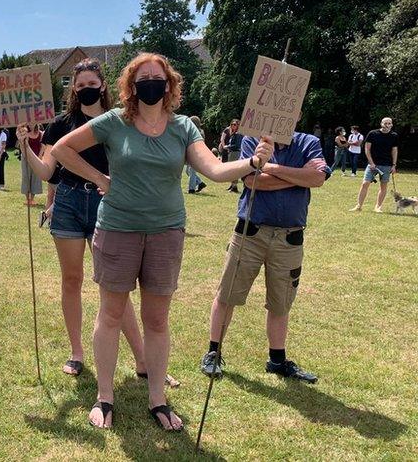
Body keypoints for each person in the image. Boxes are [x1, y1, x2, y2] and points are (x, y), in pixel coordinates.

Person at [52, 52, 272, 431]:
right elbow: (61, 150)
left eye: (158, 77)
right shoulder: (115, 121)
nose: (151, 83)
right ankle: (105, 396)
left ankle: (158, 398)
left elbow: (216, 170)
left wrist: (252, 163)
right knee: (111, 314)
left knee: (156, 319)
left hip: (166, 233)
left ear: (169, 85)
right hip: (117, 229)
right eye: (143, 78)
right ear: (130, 87)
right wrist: (101, 180)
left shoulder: (183, 127)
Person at [20, 58, 165, 382]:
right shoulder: (60, 125)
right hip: (69, 203)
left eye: (92, 84)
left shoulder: (121, 122)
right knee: (71, 280)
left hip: (109, 206)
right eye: (81, 85)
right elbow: (46, 171)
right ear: (74, 88)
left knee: (115, 287)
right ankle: (77, 352)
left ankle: (143, 359)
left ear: (103, 85)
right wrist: (25, 145)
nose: (87, 90)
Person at [201, 131, 329, 384]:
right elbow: (252, 181)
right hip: (250, 232)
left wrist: (270, 167)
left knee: (281, 302)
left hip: (289, 237)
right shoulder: (252, 140)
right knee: (228, 294)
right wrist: (297, 175)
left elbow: (317, 177)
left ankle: (277, 360)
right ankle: (213, 353)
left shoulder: (309, 142)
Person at [350, 117, 399, 213]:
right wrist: (371, 163)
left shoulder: (394, 135)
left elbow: (394, 150)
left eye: (389, 123)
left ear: (392, 125)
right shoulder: (373, 133)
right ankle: (359, 206)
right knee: (365, 183)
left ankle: (378, 207)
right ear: (381, 124)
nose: (387, 125)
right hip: (372, 164)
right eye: (385, 123)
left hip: (386, 165)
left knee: (383, 186)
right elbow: (367, 149)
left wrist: (394, 165)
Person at [19, 124, 43, 206]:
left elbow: (43, 147)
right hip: (26, 159)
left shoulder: (41, 134)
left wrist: (39, 158)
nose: (31, 124)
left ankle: (32, 199)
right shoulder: (24, 134)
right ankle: (27, 199)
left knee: (36, 178)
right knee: (26, 177)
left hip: (37, 159)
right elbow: (23, 146)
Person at [219, 118, 243, 193]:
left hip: (235, 153)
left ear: (238, 125)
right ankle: (232, 185)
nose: (233, 126)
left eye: (235, 125)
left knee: (234, 170)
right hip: (232, 153)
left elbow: (237, 145)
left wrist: (227, 147)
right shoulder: (234, 133)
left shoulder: (238, 134)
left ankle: (234, 187)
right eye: (232, 124)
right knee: (232, 170)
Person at [186, 116, 207, 194]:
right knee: (188, 171)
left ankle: (191, 189)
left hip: (196, 154)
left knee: (192, 171)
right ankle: (200, 183)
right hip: (192, 153)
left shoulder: (199, 132)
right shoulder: (194, 131)